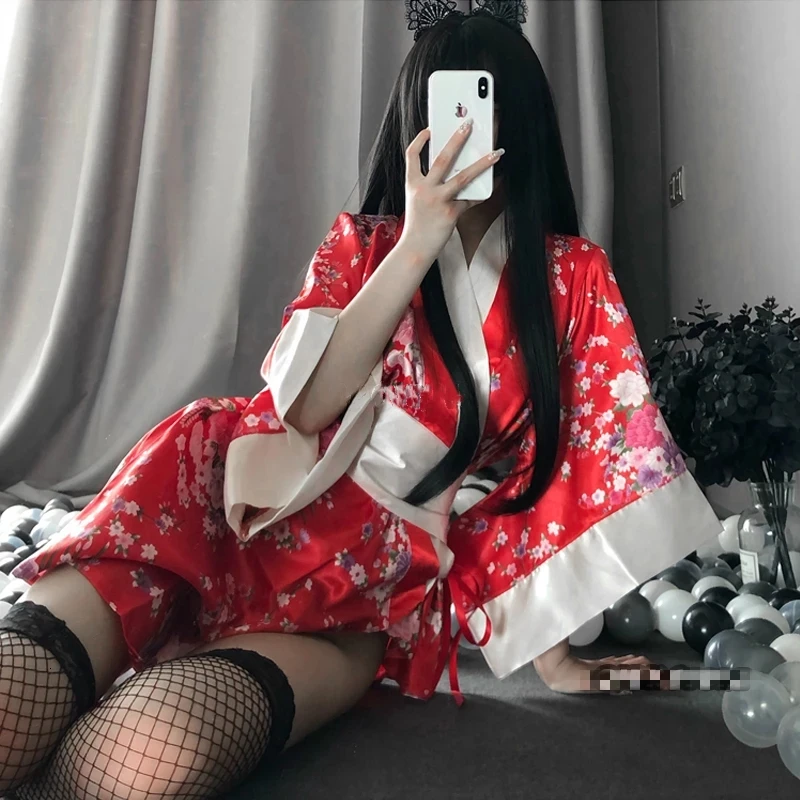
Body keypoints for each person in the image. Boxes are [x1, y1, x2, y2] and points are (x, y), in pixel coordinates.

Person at [0, 2, 720, 798]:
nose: (463, 129)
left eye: (483, 105)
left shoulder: (573, 278)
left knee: (139, 761)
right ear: (415, 118)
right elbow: (305, 407)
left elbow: (566, 463)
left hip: (362, 584)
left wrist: (557, 658)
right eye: (445, 106)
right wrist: (416, 243)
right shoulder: (365, 243)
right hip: (219, 497)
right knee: (11, 702)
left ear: (521, 121)